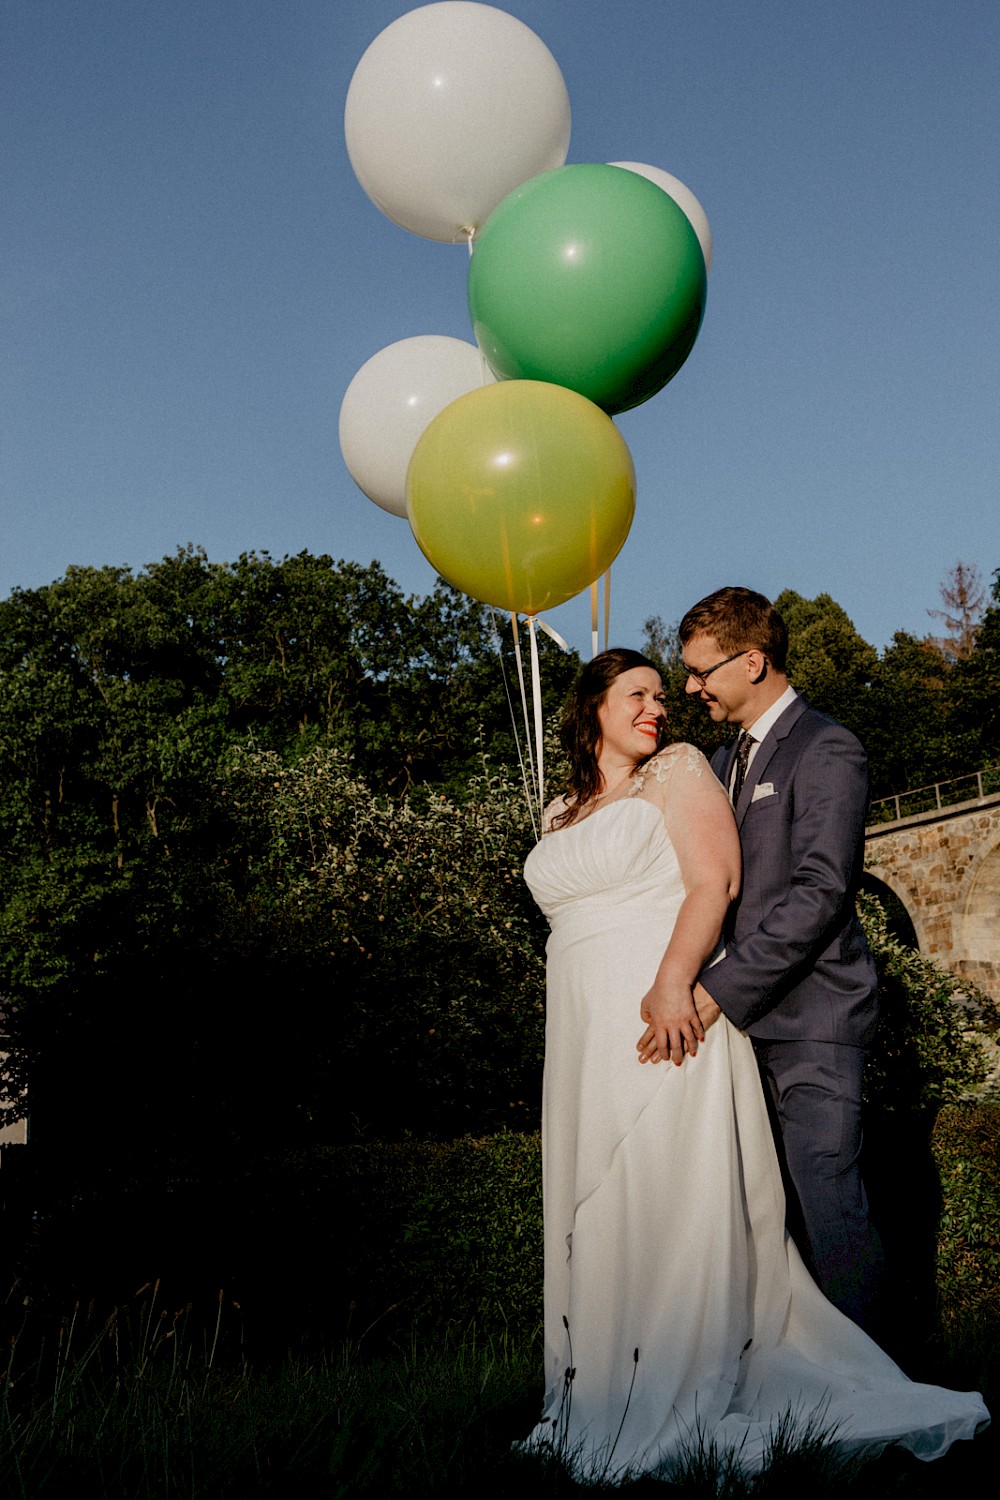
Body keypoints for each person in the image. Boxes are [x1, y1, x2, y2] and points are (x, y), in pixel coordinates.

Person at [522, 647, 987, 1480]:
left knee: (665, 1189)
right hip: (581, 1032)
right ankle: (598, 1386)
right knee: (599, 1201)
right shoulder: (560, 808)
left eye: (663, 695)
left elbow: (717, 882)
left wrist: (674, 987)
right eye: (638, 694)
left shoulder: (678, 769)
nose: (658, 708)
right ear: (592, 705)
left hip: (665, 1013)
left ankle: (678, 1371)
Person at [674, 587, 879, 1328]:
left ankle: (879, 1391)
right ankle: (804, 1382)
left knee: (827, 1199)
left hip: (813, 1018)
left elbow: (820, 893)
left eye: (702, 671)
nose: (692, 687)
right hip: (739, 1025)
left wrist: (718, 990)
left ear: (752, 660)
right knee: (766, 1211)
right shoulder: (721, 760)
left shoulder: (827, 747)